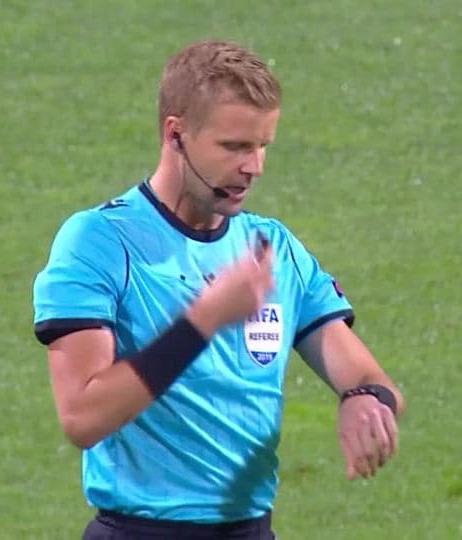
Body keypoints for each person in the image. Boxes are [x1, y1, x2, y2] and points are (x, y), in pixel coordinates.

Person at [32, 39, 405, 540]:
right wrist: (205, 318)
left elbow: (369, 378)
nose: (254, 166)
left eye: (262, 145)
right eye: (234, 147)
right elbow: (82, 416)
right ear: (176, 134)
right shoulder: (101, 242)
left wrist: (365, 399)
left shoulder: (272, 249)